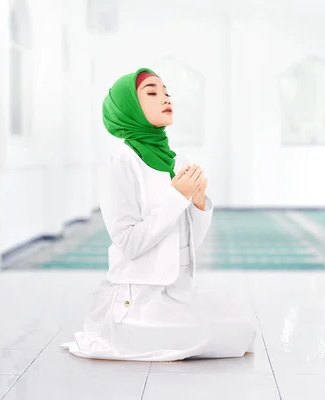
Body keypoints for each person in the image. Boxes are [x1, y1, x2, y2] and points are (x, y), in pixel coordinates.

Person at [61, 68, 256, 361]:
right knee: (219, 336)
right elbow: (129, 243)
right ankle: (117, 333)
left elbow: (187, 244)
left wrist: (199, 203)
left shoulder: (178, 161)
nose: (165, 98)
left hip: (179, 290)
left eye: (166, 92)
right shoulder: (120, 164)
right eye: (152, 92)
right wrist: (177, 196)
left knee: (241, 331)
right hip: (137, 300)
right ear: (129, 108)